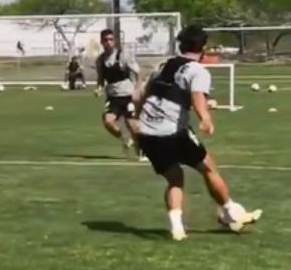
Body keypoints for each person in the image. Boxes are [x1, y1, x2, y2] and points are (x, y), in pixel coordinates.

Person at [134, 25, 262, 241]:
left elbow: (139, 95)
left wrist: (138, 123)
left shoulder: (163, 65)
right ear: (203, 48)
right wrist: (205, 117)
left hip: (148, 132)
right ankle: (230, 211)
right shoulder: (197, 70)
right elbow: (197, 96)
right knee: (208, 168)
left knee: (175, 178)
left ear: (180, 44)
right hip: (172, 132)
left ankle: (177, 227)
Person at [94, 29, 144, 160]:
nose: (108, 42)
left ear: (114, 41)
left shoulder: (123, 56)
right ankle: (125, 138)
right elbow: (100, 78)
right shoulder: (100, 60)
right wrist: (99, 88)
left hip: (128, 95)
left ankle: (141, 152)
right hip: (113, 97)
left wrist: (137, 90)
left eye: (111, 39)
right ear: (101, 42)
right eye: (106, 40)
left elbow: (139, 73)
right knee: (108, 121)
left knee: (132, 125)